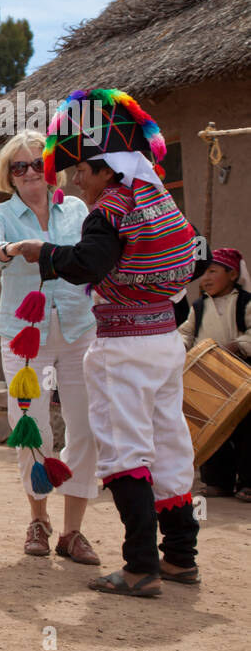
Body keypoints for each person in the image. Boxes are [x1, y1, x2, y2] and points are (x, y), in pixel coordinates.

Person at [15, 87, 200, 597]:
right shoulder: (162, 201)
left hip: (122, 347)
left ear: (107, 168)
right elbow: (192, 259)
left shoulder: (111, 209)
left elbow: (89, 264)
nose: (77, 179)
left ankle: (140, 566)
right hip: (165, 340)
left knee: (124, 450)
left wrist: (44, 252)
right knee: (168, 446)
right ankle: (181, 557)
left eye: (83, 169)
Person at [0, 131, 101, 564]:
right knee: (31, 426)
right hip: (23, 335)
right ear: (8, 176)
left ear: (51, 169)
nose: (30, 172)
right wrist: (15, 248)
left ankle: (73, 531)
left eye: (37, 164)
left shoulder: (78, 209)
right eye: (19, 166)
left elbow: (93, 255)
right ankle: (39, 517)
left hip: (79, 329)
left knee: (84, 426)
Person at [178, 247, 251, 501]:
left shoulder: (245, 303)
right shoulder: (198, 307)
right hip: (208, 379)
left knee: (245, 432)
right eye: (204, 272)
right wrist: (179, 348)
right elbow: (187, 333)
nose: (206, 278)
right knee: (211, 430)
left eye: (213, 271)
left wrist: (238, 344)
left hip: (241, 379)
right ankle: (217, 482)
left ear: (232, 274)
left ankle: (247, 483)